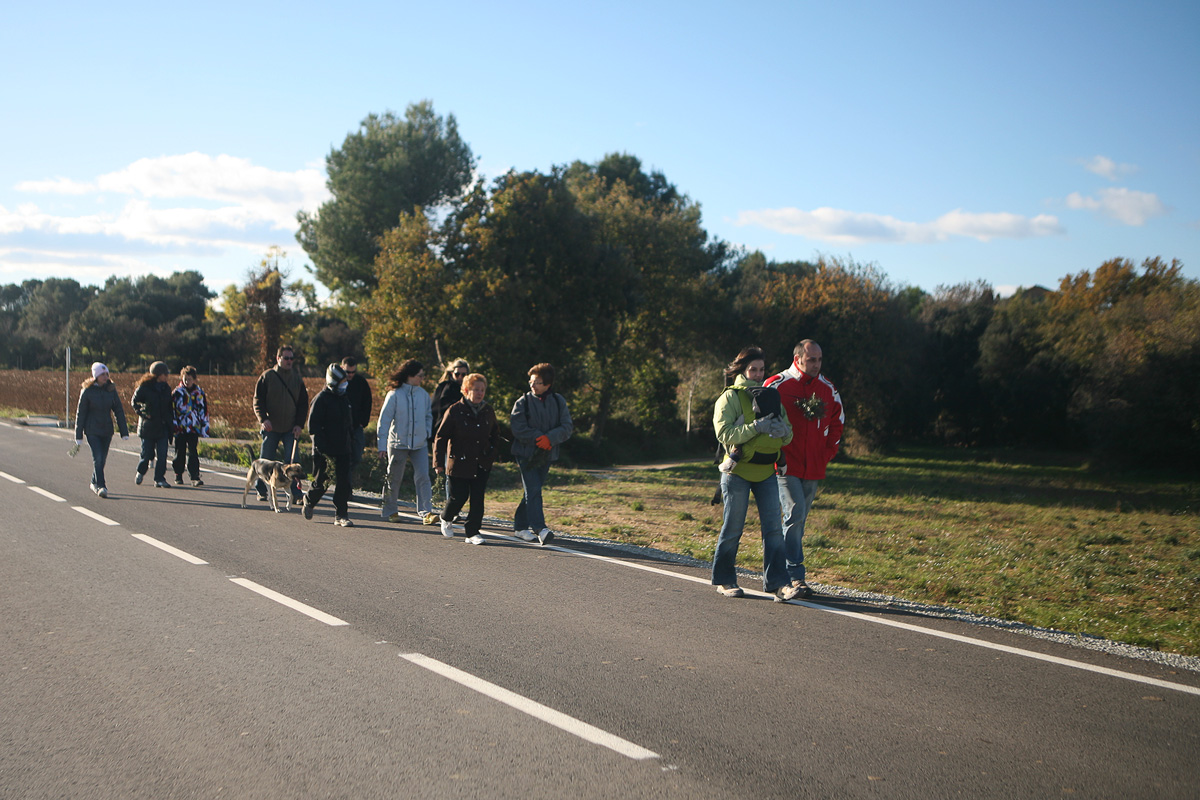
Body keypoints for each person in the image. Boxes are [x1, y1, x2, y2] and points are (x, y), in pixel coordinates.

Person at [710, 347, 801, 602]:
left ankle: (779, 585)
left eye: (761, 370)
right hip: (737, 473)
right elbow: (724, 434)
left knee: (773, 530)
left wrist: (783, 431)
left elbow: (789, 434)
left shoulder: (773, 396)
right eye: (753, 369)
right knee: (733, 528)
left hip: (766, 473)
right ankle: (725, 580)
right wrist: (755, 427)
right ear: (742, 370)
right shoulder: (729, 398)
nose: (758, 374)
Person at [764, 339, 845, 598]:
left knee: (797, 520)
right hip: (784, 464)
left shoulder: (827, 388)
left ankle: (780, 570)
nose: (816, 364)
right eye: (812, 359)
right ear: (798, 359)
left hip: (814, 467)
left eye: (819, 359)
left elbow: (837, 421)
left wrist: (827, 453)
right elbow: (762, 419)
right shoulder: (777, 384)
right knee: (795, 514)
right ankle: (794, 576)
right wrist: (774, 453)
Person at [509, 363, 574, 546]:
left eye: (537, 382)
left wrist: (550, 439)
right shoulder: (523, 402)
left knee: (532, 490)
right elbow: (517, 426)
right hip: (525, 454)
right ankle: (540, 529)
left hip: (547, 454)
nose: (533, 385)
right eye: (531, 381)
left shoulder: (559, 401)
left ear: (547, 383)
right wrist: (538, 437)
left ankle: (520, 527)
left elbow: (567, 426)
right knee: (533, 489)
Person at [434, 372, 499, 545]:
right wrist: (439, 463)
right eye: (475, 389)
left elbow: (495, 434)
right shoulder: (455, 410)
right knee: (459, 497)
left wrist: (491, 453)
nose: (479, 393)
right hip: (459, 463)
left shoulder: (488, 410)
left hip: (481, 462)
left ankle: (472, 532)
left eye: (482, 390)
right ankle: (446, 517)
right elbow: (441, 437)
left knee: (478, 499)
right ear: (466, 390)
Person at [376, 359, 436, 525]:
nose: (422, 379)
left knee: (423, 476)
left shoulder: (423, 395)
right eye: (419, 375)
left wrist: (426, 433)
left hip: (420, 444)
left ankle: (426, 512)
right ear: (410, 375)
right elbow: (384, 421)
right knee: (393, 477)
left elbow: (428, 416)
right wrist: (382, 445)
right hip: (397, 444)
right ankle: (390, 510)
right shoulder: (394, 395)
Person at [253, 345, 308, 502]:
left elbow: (303, 404)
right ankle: (261, 490)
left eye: (291, 358)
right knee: (265, 459)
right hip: (271, 427)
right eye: (286, 358)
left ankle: (296, 494)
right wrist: (263, 419)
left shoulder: (297, 379)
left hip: (291, 428)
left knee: (292, 462)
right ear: (278, 359)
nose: (289, 361)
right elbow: (258, 400)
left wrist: (299, 424)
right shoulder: (267, 377)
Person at [303, 363, 355, 527]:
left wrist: (350, 441)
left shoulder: (344, 398)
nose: (344, 386)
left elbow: (348, 423)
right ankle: (309, 500)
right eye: (341, 383)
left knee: (344, 483)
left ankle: (341, 514)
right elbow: (314, 428)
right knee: (322, 482)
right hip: (325, 450)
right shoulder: (321, 400)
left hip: (343, 449)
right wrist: (321, 448)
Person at [74, 362, 130, 498]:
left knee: (102, 459)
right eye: (102, 374)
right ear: (96, 376)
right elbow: (80, 413)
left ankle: (94, 481)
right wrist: (78, 435)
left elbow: (119, 411)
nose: (105, 377)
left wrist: (124, 431)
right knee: (98, 458)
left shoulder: (111, 390)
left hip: (106, 430)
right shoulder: (87, 391)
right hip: (92, 430)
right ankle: (101, 486)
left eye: (107, 374)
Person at [430, 358, 469, 502]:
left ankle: (456, 505)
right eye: (457, 374)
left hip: (465, 436)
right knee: (450, 472)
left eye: (463, 374)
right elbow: (436, 411)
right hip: (447, 434)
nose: (460, 377)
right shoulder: (445, 387)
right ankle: (450, 506)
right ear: (451, 373)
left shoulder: (470, 389)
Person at [131, 361, 174, 488]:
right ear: (158, 375)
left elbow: (168, 407)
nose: (167, 376)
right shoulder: (144, 388)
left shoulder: (166, 388)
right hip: (148, 427)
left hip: (163, 427)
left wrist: (171, 422)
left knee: (162, 455)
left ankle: (159, 478)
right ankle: (141, 471)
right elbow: (135, 403)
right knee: (147, 455)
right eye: (165, 374)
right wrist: (144, 413)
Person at [171, 365, 209, 486]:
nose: (187, 381)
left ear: (194, 379)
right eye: (185, 379)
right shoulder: (177, 393)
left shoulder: (199, 393)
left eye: (190, 379)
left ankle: (195, 476)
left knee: (193, 451)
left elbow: (204, 410)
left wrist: (204, 427)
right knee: (179, 451)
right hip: (180, 428)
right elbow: (172, 410)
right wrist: (174, 425)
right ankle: (178, 475)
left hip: (193, 427)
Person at [341, 356, 372, 491]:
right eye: (348, 372)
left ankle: (346, 482)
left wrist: (363, 422)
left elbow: (367, 402)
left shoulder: (361, 382)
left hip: (356, 426)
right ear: (342, 369)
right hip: (341, 427)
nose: (350, 375)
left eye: (353, 372)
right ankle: (345, 487)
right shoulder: (338, 382)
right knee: (343, 458)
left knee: (357, 456)